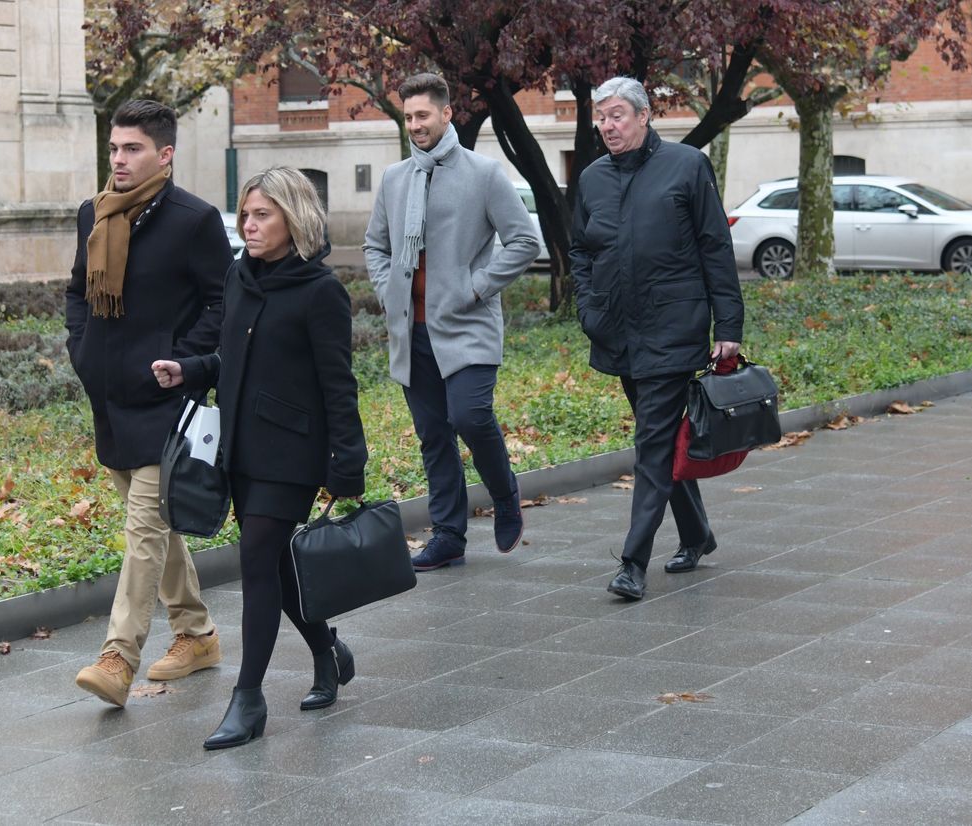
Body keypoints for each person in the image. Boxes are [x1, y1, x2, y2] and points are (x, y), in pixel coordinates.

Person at [152, 166, 367, 750]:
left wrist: (347, 462)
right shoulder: (240, 277)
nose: (249, 224)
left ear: (293, 218)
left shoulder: (322, 292)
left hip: (291, 453)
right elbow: (228, 357)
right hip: (239, 449)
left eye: (262, 214)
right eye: (246, 213)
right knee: (276, 567)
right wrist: (189, 370)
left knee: (257, 561)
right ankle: (328, 652)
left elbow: (338, 385)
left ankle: (248, 699)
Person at [65, 100, 231, 706]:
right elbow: (77, 291)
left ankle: (118, 655)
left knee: (143, 530)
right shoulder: (94, 213)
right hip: (110, 399)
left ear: (164, 155)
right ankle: (197, 634)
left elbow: (222, 305)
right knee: (159, 527)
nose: (118, 159)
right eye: (113, 148)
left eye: (131, 149)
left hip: (166, 400)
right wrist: (82, 350)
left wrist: (184, 363)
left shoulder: (195, 220)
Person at [569, 77, 745, 601]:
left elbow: (715, 247)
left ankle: (631, 562)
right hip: (618, 330)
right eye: (601, 116)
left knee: (651, 443)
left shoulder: (687, 166)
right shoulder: (593, 178)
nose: (607, 125)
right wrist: (589, 305)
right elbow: (580, 249)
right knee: (664, 441)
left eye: (617, 114)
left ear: (645, 116)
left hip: (673, 329)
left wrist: (728, 327)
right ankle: (697, 534)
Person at [364, 72, 541, 572]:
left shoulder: (483, 174)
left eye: (424, 115)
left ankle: (505, 494)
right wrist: (387, 289)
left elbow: (524, 241)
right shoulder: (395, 179)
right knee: (433, 434)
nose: (415, 124)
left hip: (466, 326)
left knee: (468, 417)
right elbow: (375, 246)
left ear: (447, 114)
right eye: (409, 116)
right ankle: (449, 535)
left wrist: (476, 286)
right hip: (411, 330)